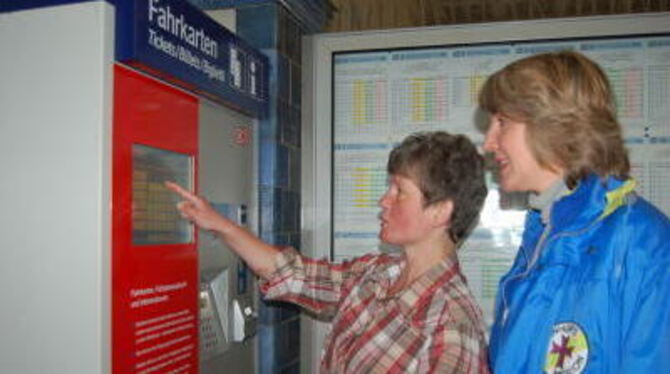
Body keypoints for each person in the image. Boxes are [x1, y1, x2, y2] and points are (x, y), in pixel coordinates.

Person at [167, 131, 490, 373]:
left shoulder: (451, 326)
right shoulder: (376, 273)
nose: (384, 200)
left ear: (439, 212)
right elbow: (292, 274)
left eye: (399, 191)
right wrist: (218, 223)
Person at [479, 50, 670, 373]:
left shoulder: (644, 245)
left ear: (552, 122)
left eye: (502, 122)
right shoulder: (542, 236)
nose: (488, 142)